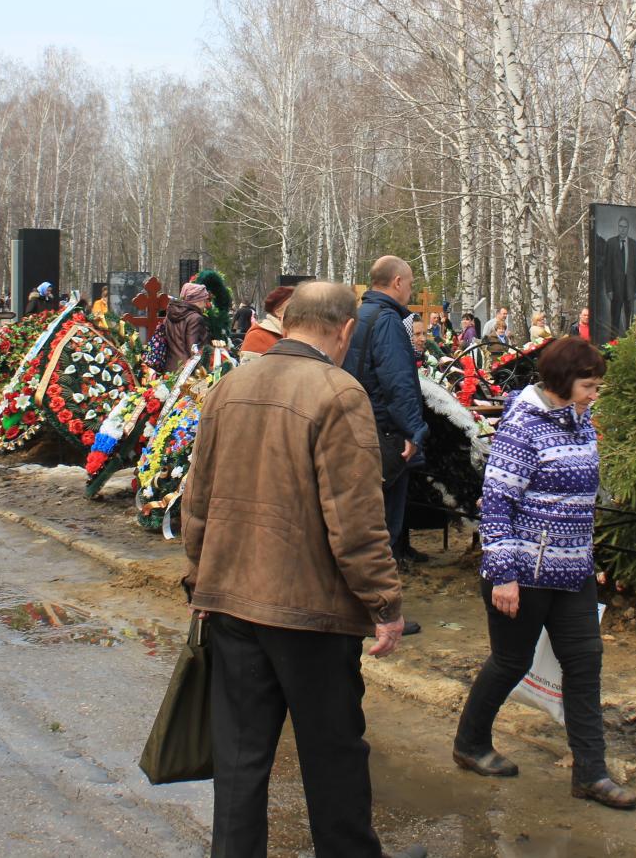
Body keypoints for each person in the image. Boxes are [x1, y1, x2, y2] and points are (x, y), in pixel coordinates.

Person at [181, 281, 422, 858]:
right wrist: (385, 604)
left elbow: (198, 497)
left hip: (232, 600)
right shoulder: (339, 393)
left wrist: (199, 576)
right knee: (333, 754)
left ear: (288, 323)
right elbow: (356, 519)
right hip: (311, 613)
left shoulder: (230, 386)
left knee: (240, 762)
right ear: (344, 330)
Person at [452, 337, 636, 810]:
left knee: (585, 664)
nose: (595, 393)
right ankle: (470, 743)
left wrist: (585, 557)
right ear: (561, 381)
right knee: (510, 662)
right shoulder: (522, 425)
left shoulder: (580, 420)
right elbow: (497, 503)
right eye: (589, 385)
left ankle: (591, 773)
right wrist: (504, 574)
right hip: (524, 572)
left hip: (572, 571)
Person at [345, 257, 428, 612]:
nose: (410, 290)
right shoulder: (389, 322)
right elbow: (398, 383)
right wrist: (413, 431)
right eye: (409, 283)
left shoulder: (359, 316)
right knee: (384, 529)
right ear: (397, 282)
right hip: (386, 433)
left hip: (359, 427)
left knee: (364, 523)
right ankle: (380, 611)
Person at [239, 285, 293, 361]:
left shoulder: (300, 333)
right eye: (293, 307)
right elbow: (251, 371)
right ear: (278, 312)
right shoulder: (257, 336)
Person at [164, 281, 213, 365]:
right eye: (204, 300)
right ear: (198, 300)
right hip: (187, 370)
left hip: (169, 367)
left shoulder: (169, 315)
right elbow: (193, 348)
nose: (205, 304)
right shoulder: (195, 318)